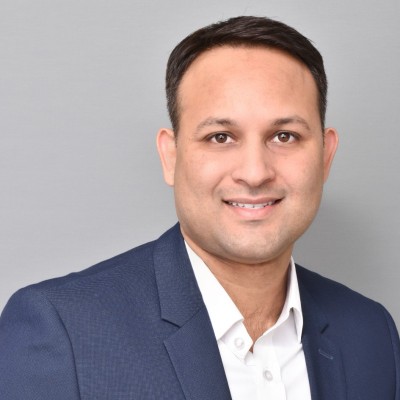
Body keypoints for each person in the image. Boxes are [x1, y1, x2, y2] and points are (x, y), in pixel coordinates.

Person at [0, 15, 399, 400]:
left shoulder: (371, 333)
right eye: (221, 137)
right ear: (170, 156)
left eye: (284, 136)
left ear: (326, 156)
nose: (255, 173)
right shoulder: (62, 330)